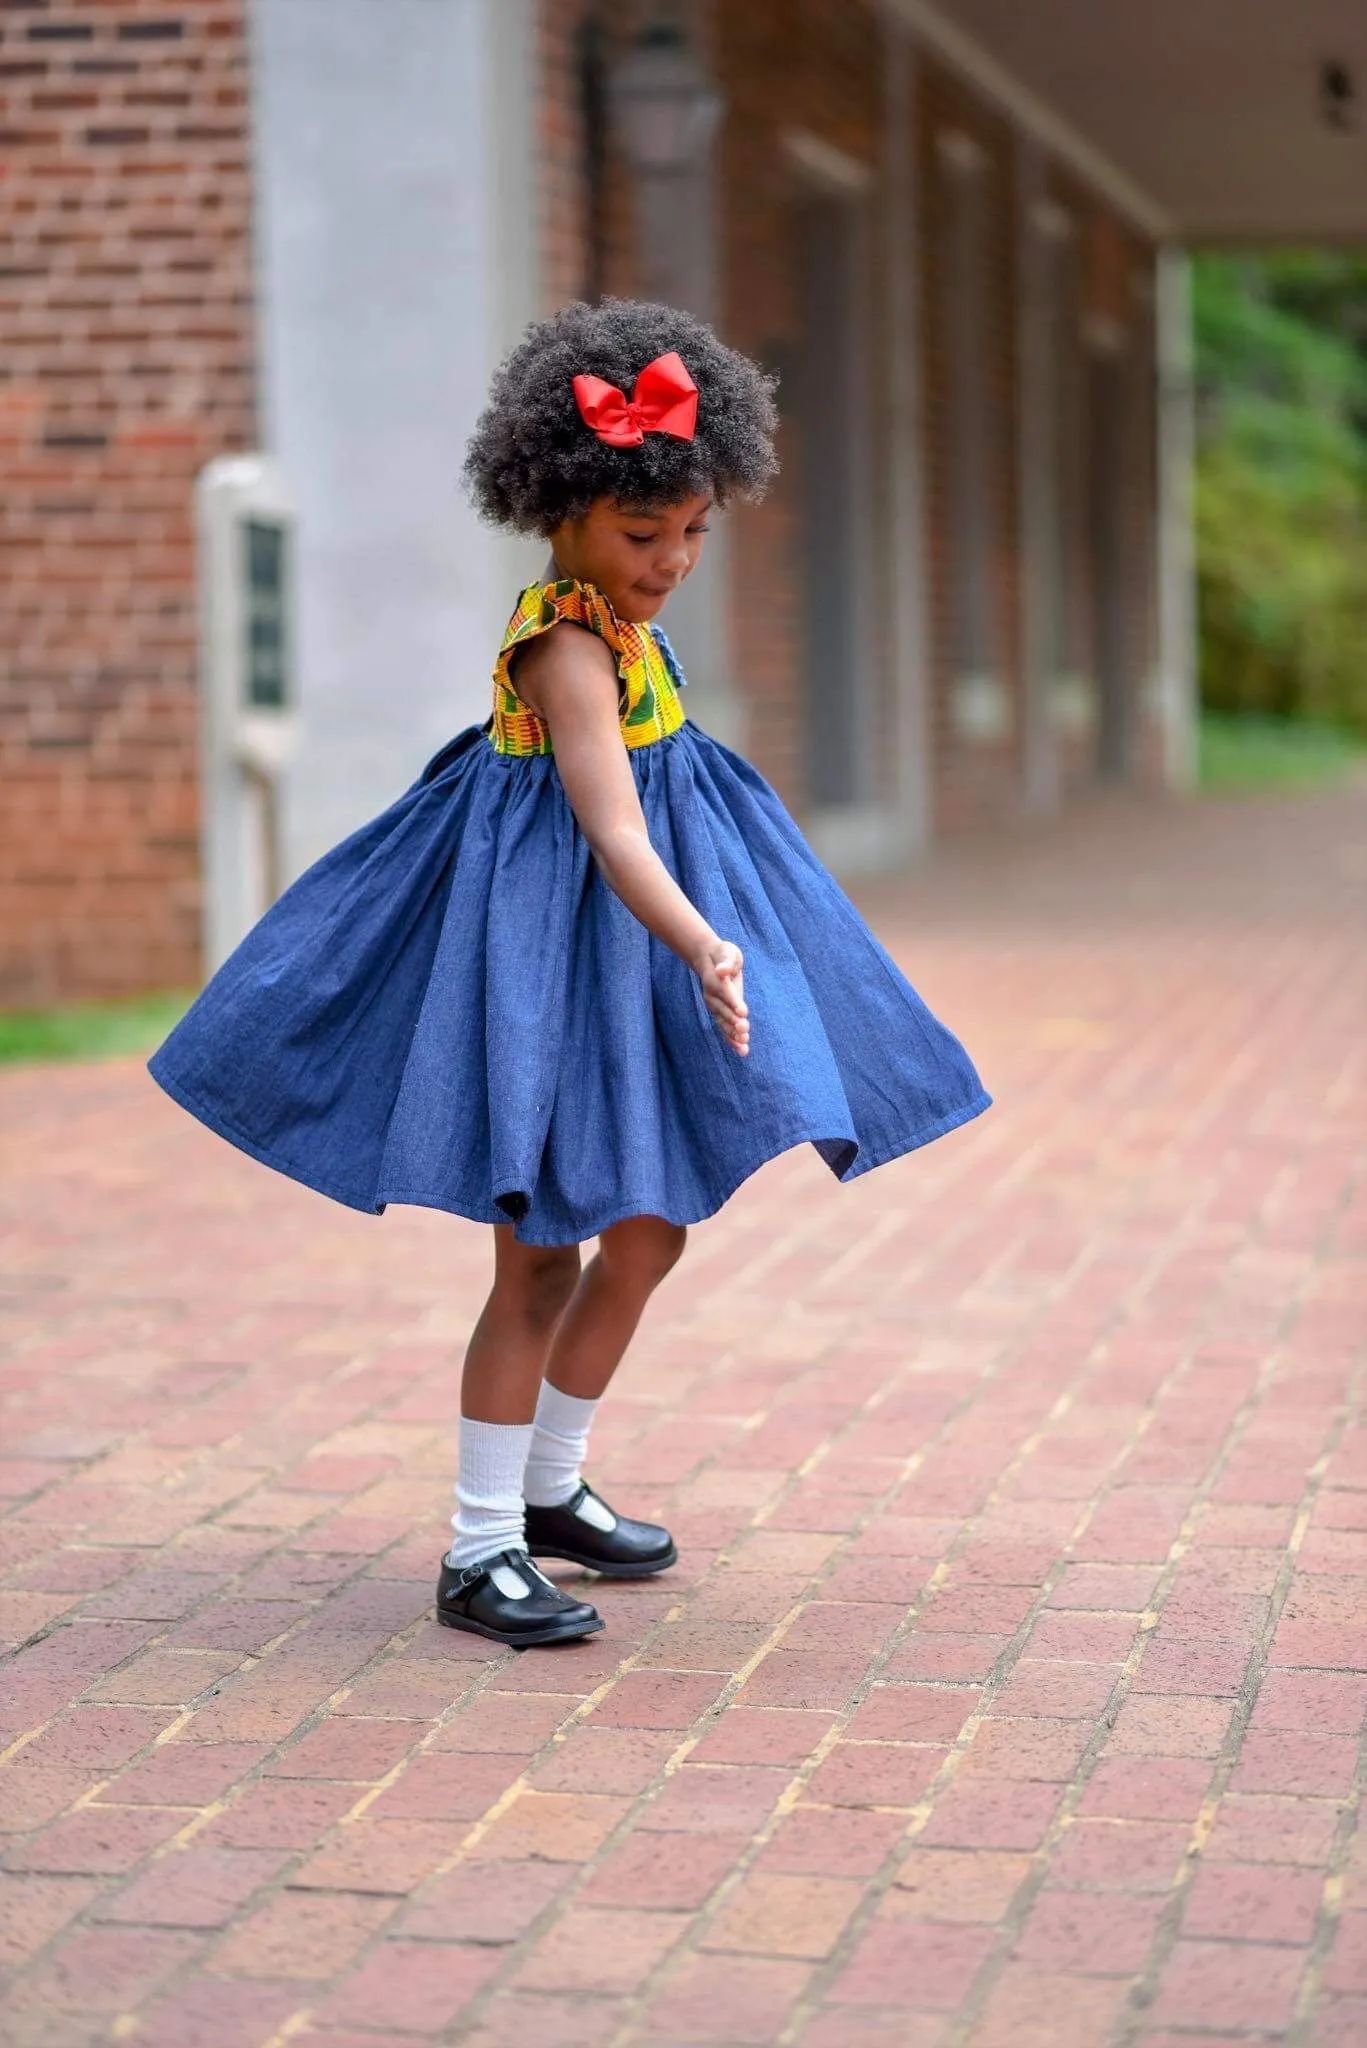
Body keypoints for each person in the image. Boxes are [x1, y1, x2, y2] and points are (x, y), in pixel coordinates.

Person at [149, 298, 990, 1650]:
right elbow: (609, 826)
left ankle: (549, 1493)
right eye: (641, 533)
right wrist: (704, 939)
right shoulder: (564, 644)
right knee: (541, 1256)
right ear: (560, 508)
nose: (670, 561)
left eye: (693, 533)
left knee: (649, 1228)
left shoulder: (625, 622)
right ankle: (476, 1547)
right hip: (550, 967)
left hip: (623, 966)